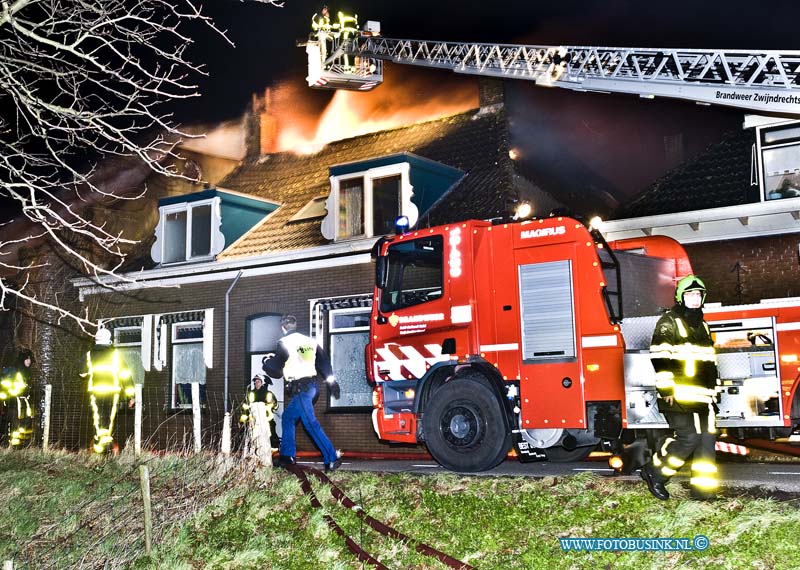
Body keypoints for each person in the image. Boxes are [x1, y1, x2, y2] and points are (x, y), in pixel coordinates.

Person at [640, 275, 721, 500]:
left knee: (707, 441)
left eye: (698, 295)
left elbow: (708, 363)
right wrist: (666, 389)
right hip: (677, 396)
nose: (694, 299)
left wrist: (714, 392)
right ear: (680, 297)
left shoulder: (703, 324)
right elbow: (660, 356)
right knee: (689, 438)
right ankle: (654, 473)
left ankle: (704, 494)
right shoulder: (668, 322)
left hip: (703, 397)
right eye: (690, 294)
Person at [262, 314, 342, 473]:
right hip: (311, 387)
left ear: (283, 327)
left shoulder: (284, 342)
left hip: (301, 389)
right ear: (295, 325)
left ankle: (332, 458)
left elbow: (276, 367)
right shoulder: (310, 342)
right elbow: (324, 362)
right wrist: (331, 382)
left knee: (310, 423)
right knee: (288, 417)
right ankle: (286, 456)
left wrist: (266, 362)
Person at [82, 327, 134, 453]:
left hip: (95, 392)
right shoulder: (115, 356)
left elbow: (82, 373)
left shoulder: (89, 355)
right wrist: (131, 396)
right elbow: (125, 375)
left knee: (97, 418)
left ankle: (99, 447)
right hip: (112, 392)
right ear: (109, 340)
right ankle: (103, 448)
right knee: (109, 420)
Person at [0, 350, 35, 447]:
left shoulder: (26, 372)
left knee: (24, 424)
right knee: (15, 425)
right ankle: (12, 446)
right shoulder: (15, 371)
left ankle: (20, 445)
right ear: (22, 359)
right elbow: (5, 386)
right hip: (13, 403)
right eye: (27, 359)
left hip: (23, 403)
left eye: (30, 359)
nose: (29, 361)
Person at [240, 374, 280, 450]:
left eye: (258, 381)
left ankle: (273, 449)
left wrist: (273, 404)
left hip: (266, 420)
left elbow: (276, 406)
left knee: (270, 434)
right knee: (252, 436)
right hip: (253, 420)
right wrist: (242, 421)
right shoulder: (250, 393)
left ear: (263, 383)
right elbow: (245, 407)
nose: (256, 383)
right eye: (255, 382)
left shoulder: (269, 394)